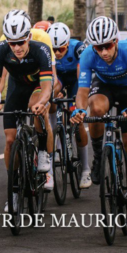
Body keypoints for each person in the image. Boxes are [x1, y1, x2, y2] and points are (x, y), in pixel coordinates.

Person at [71, 16, 127, 218]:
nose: (103, 52)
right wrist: (79, 110)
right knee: (95, 110)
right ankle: (98, 155)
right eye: (98, 47)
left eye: (107, 46)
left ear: (115, 41)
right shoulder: (88, 54)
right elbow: (82, 92)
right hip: (105, 87)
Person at [0, 10, 55, 205]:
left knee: (36, 106)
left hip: (36, 86)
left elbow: (47, 86)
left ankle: (42, 151)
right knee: (10, 141)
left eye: (21, 42)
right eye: (12, 43)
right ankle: (14, 189)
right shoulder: (1, 49)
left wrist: (42, 103)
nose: (16, 47)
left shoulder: (40, 49)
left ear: (29, 37)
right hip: (17, 87)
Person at [49, 21, 92, 189]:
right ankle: (57, 143)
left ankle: (85, 169)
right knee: (53, 103)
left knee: (77, 119)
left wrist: (76, 100)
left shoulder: (77, 48)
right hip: (58, 78)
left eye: (61, 49)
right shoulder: (49, 51)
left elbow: (82, 76)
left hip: (75, 80)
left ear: (67, 43)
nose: (57, 53)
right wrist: (54, 91)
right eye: (54, 50)